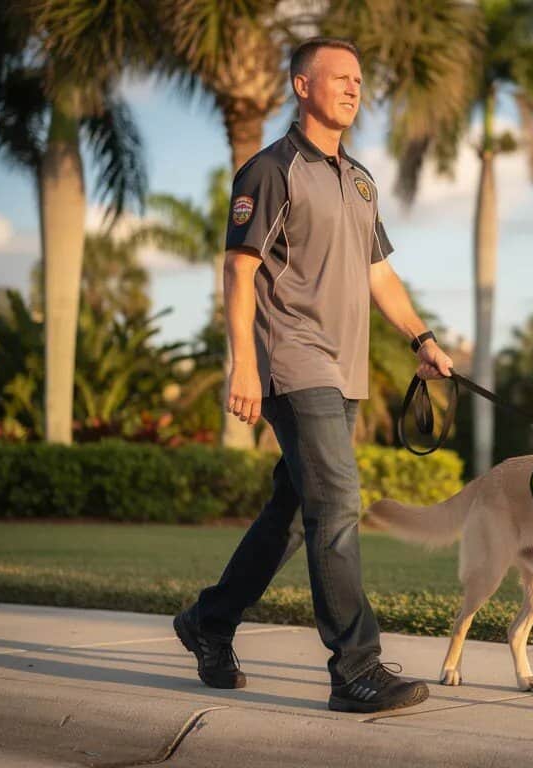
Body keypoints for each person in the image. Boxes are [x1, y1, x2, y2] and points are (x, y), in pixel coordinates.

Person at [173, 36, 454, 714]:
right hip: (294, 359)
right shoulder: (271, 171)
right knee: (337, 505)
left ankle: (209, 622)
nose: (354, 89)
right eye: (340, 78)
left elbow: (377, 271)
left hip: (345, 366)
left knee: (294, 514)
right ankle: (355, 668)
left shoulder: (358, 178)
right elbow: (239, 269)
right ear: (301, 87)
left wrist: (421, 337)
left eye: (360, 79)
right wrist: (243, 363)